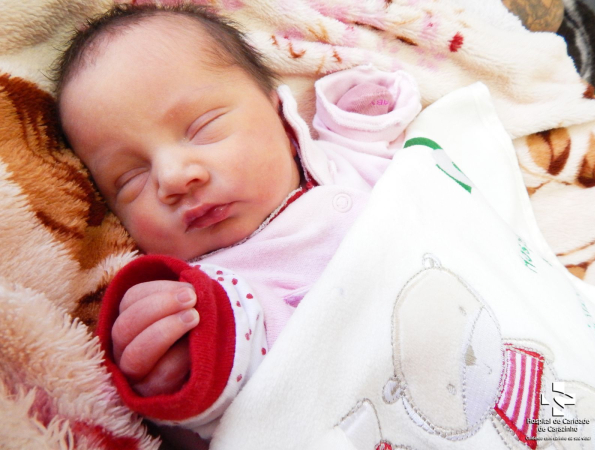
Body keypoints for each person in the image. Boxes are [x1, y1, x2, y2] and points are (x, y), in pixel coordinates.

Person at [55, 2, 421, 441]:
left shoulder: (341, 163)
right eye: (129, 178)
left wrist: (360, 109)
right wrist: (182, 360)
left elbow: (382, 139)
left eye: (203, 127)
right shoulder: (214, 298)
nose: (173, 178)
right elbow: (247, 385)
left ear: (282, 117)